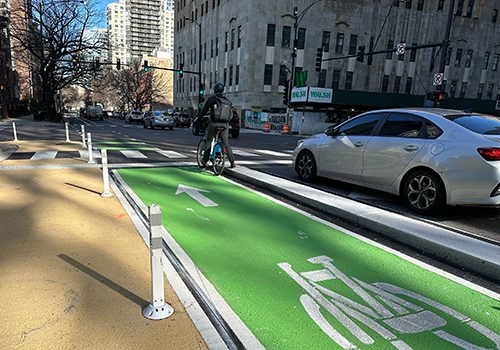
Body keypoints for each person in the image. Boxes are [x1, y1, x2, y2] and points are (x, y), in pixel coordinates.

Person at [198, 82, 236, 168]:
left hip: (214, 123)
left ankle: (205, 160)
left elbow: (204, 111)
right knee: (226, 143)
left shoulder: (212, 99)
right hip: (225, 124)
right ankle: (232, 162)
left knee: (208, 141)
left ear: (214, 90)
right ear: (222, 91)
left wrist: (199, 118)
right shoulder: (227, 101)